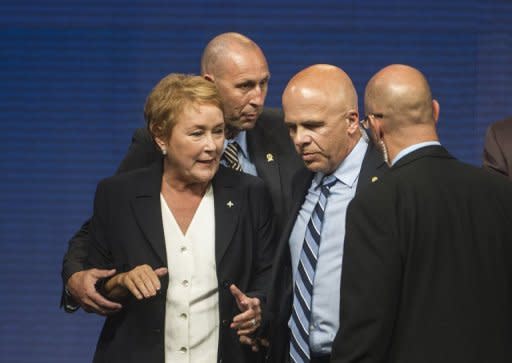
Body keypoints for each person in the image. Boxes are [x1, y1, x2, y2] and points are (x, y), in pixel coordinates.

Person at [60, 32, 303, 315]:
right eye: (245, 86)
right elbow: (109, 216)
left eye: (264, 83)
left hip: (264, 322)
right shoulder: (160, 142)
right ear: (209, 83)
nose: (258, 99)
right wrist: (74, 277)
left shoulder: (284, 131)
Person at [87, 73, 275, 363]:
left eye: (218, 131)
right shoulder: (118, 195)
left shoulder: (250, 193)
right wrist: (122, 281)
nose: (212, 146)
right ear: (160, 135)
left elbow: (269, 277)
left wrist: (258, 308)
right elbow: (91, 283)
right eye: (197, 133)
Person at [331, 64, 512, 363]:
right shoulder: (501, 192)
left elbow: (364, 331)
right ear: (436, 111)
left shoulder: (374, 203)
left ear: (374, 126)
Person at [262, 64, 386, 363]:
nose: (299, 139)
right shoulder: (299, 180)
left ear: (352, 121)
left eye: (313, 126)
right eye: (292, 127)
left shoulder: (389, 183)